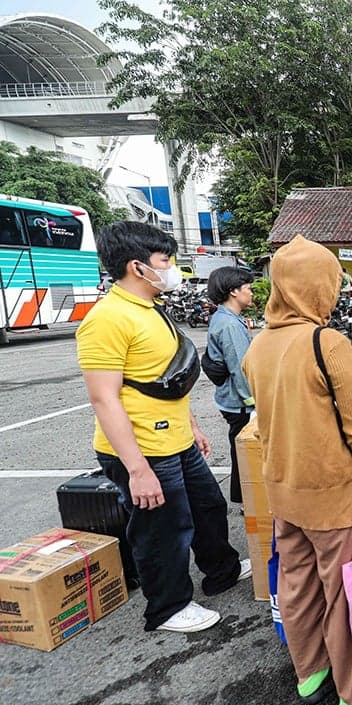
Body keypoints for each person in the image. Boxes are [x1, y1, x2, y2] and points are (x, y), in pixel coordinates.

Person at [242, 235, 352, 705]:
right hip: (332, 495)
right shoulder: (326, 342)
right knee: (345, 593)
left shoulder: (258, 346)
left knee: (296, 584)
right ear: (315, 286)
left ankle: (310, 672)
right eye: (331, 282)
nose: (335, 292)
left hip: (283, 492)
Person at [76, 221, 248, 635]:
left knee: (207, 507)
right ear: (137, 266)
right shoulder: (107, 318)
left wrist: (191, 425)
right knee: (163, 528)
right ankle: (168, 607)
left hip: (177, 439)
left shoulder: (152, 309)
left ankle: (221, 570)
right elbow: (104, 398)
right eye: (165, 260)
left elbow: (166, 379)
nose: (172, 268)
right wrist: (137, 469)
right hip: (145, 448)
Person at [205, 266, 256, 505]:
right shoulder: (230, 325)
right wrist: (253, 403)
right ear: (234, 291)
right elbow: (240, 368)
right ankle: (248, 500)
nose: (251, 292)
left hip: (230, 399)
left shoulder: (224, 318)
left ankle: (243, 497)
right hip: (239, 403)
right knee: (246, 453)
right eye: (248, 288)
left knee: (240, 450)